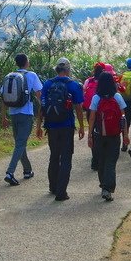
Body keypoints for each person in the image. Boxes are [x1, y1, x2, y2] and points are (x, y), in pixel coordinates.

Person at [35, 58, 85, 201]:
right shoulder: (73, 85)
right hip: (67, 126)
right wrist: (81, 126)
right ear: (68, 69)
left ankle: (53, 187)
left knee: (54, 156)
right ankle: (61, 192)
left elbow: (42, 107)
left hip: (51, 126)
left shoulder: (48, 84)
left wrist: (39, 126)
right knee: (66, 158)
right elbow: (79, 108)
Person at [0, 52, 42, 186]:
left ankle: (27, 170)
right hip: (26, 114)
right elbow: (39, 94)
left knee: (20, 143)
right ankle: (10, 172)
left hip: (13, 114)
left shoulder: (10, 76)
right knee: (20, 144)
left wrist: (4, 116)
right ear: (26, 62)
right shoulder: (31, 75)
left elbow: (3, 97)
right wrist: (43, 113)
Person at [87, 71, 130, 201]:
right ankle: (108, 188)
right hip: (114, 135)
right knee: (111, 161)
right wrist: (126, 134)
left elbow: (92, 118)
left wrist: (90, 136)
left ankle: (103, 186)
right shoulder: (117, 96)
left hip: (99, 134)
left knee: (101, 161)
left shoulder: (96, 98)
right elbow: (123, 117)